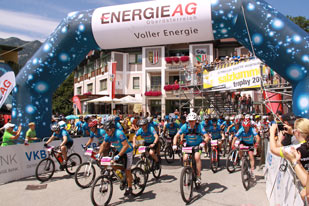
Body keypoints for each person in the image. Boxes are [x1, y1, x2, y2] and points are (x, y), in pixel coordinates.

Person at [98, 120, 134, 196]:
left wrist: (118, 155)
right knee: (112, 164)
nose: (106, 132)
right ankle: (122, 176)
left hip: (127, 151)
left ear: (113, 129)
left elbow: (126, 145)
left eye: (108, 130)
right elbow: (103, 145)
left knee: (127, 170)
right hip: (119, 150)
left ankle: (130, 187)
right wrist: (99, 153)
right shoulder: (108, 135)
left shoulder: (119, 133)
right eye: (105, 130)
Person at [173, 112, 208, 185]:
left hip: (198, 145)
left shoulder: (200, 126)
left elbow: (207, 136)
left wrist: (203, 142)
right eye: (190, 121)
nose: (191, 123)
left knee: (197, 157)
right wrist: (174, 145)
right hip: (188, 145)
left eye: (193, 121)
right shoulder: (184, 126)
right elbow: (176, 136)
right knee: (185, 158)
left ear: (196, 121)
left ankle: (198, 175)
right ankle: (188, 171)